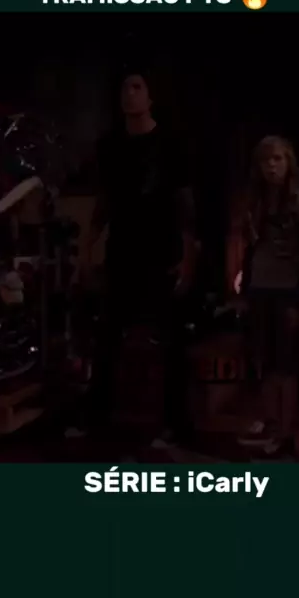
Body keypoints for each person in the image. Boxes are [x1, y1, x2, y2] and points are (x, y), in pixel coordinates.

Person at [86, 66, 198, 449]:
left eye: (137, 87)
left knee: (169, 339)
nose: (129, 94)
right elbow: (104, 200)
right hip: (122, 251)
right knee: (107, 335)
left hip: (160, 251)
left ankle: (176, 423)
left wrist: (188, 255)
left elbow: (185, 203)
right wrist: (88, 245)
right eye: (124, 88)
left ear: (151, 97)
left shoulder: (170, 144)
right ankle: (97, 417)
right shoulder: (110, 145)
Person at [227, 136, 299, 459]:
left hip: (286, 292)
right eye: (266, 161)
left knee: (285, 366)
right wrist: (244, 291)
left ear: (288, 162)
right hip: (260, 290)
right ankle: (270, 422)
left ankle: (285, 432)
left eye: (277, 159)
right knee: (262, 361)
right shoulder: (257, 203)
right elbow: (251, 252)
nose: (272, 166)